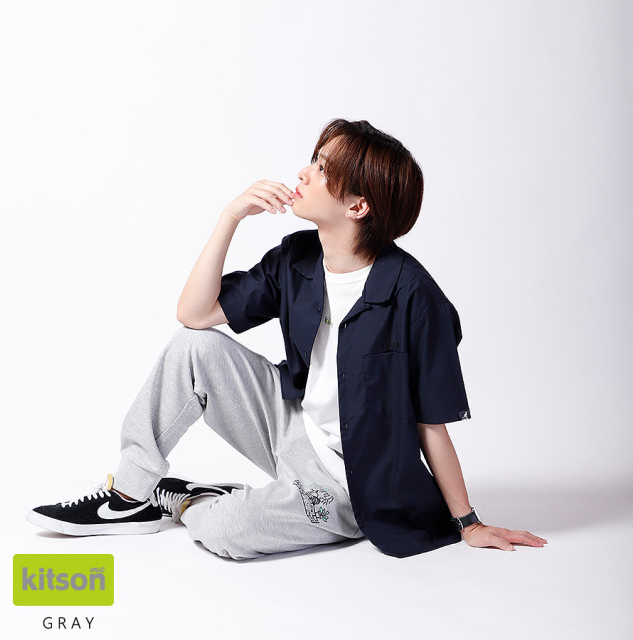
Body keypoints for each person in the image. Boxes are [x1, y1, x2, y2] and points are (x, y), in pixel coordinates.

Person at [28, 118, 547, 559]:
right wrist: (230, 216)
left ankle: (194, 500)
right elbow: (194, 314)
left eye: (322, 168)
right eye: (314, 160)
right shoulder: (296, 258)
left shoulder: (415, 296)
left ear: (358, 206)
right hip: (288, 425)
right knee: (193, 346)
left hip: (345, 484)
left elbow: (431, 423)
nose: (304, 172)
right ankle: (128, 496)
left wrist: (468, 523)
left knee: (224, 532)